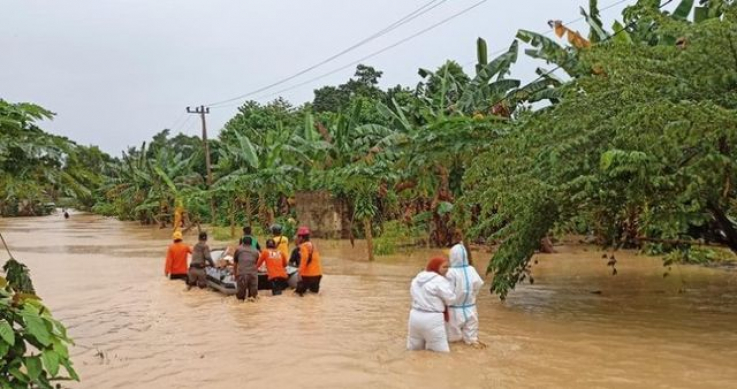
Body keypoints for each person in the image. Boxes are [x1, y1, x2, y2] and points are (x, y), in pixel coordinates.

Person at [407, 257, 456, 353]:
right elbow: (451, 299)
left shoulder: (416, 279)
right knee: (441, 354)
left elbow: (413, 295)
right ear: (436, 267)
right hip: (432, 319)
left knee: (413, 350)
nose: (447, 269)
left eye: (448, 267)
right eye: (444, 267)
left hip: (414, 317)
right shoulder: (440, 281)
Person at [446, 237, 485, 347]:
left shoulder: (450, 273)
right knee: (472, 339)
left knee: (453, 341)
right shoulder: (471, 270)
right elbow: (478, 284)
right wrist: (472, 296)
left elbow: (446, 292)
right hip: (471, 309)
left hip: (454, 311)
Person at [295, 226, 322, 296]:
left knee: (297, 295)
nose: (297, 239)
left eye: (298, 237)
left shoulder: (303, 246)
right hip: (318, 274)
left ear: (301, 237)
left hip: (307, 275)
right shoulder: (313, 245)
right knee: (314, 294)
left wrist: (299, 273)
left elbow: (304, 259)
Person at [233, 236, 260, 301]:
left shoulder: (238, 249)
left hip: (242, 274)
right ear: (251, 243)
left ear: (242, 243)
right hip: (253, 275)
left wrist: (235, 275)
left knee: (240, 298)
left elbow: (235, 263)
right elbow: (255, 262)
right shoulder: (256, 251)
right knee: (253, 297)